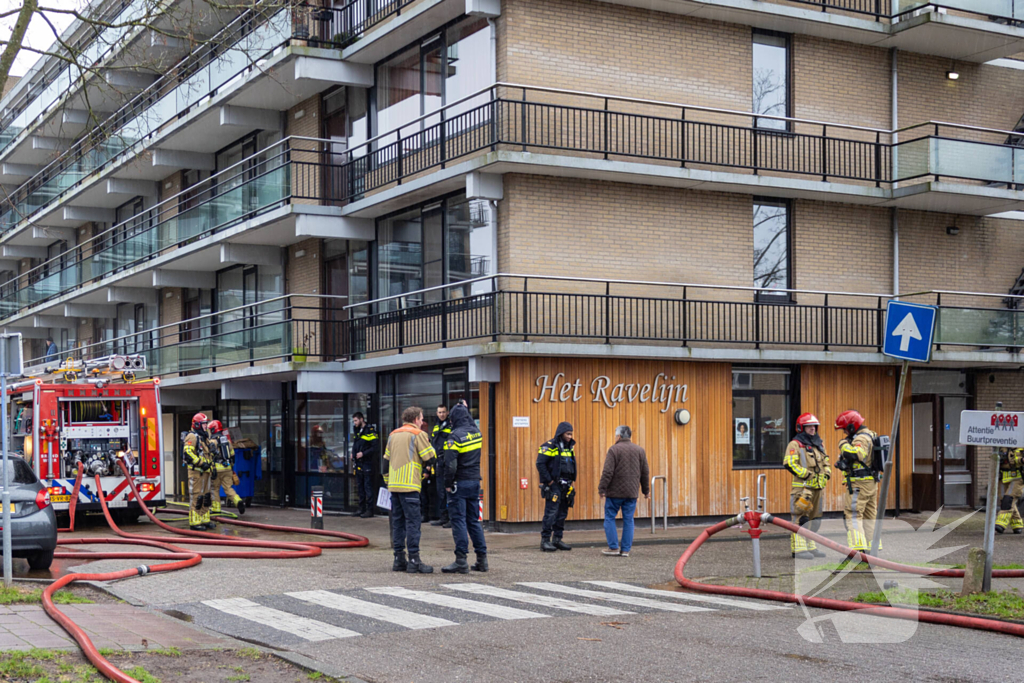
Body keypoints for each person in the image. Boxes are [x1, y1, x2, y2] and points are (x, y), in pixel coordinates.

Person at [383, 406, 436, 573]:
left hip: (394, 486)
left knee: (398, 523)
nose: (422, 422)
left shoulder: (393, 435)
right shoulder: (418, 434)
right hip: (410, 486)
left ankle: (399, 559)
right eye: (421, 419)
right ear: (415, 419)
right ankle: (414, 560)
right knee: (413, 523)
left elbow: (385, 463)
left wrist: (388, 482)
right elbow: (430, 457)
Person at [440, 402, 487, 573]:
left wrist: (447, 484)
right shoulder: (477, 433)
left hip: (458, 484)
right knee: (473, 521)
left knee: (458, 521)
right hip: (474, 482)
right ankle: (482, 560)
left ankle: (461, 560)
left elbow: (450, 465)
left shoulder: (454, 437)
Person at [598, 425, 649, 558]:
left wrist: (602, 488)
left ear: (619, 436)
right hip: (631, 493)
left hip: (614, 493)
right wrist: (646, 491)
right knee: (629, 520)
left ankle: (613, 547)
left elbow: (608, 472)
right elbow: (645, 472)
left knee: (609, 517)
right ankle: (625, 550)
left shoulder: (614, 450)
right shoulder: (640, 450)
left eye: (616, 435)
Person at [784, 413, 830, 559]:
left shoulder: (819, 444)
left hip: (818, 489)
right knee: (800, 518)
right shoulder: (795, 444)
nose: (812, 428)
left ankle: (811, 546)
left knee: (814, 520)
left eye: (814, 426)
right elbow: (789, 463)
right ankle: (799, 549)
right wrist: (806, 474)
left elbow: (826, 462)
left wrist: (827, 474)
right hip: (802, 489)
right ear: (801, 428)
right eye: (809, 426)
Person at [835, 410, 879, 553]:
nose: (844, 433)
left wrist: (843, 444)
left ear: (852, 426)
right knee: (869, 516)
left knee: (853, 515)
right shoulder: (871, 435)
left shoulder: (861, 439)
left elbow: (857, 454)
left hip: (859, 484)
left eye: (845, 429)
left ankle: (858, 550)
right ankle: (872, 549)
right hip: (870, 482)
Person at [537, 421, 576, 552]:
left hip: (566, 485)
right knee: (551, 513)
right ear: (561, 433)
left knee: (562, 513)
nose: (570, 436)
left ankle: (557, 539)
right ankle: (545, 541)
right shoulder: (549, 446)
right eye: (568, 434)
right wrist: (550, 482)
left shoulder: (569, 447)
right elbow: (540, 464)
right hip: (554, 485)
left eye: (571, 434)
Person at [206, 420, 245, 516]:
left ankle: (216, 509)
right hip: (227, 468)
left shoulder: (211, 442)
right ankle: (238, 501)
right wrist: (231, 468)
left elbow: (209, 456)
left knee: (214, 489)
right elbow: (232, 455)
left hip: (216, 470)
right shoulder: (227, 441)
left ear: (213, 430)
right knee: (228, 488)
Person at [183, 412, 212, 531]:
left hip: (205, 472)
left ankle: (204, 519)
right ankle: (194, 522)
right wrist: (201, 463)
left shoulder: (204, 437)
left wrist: (212, 468)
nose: (206, 426)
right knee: (197, 497)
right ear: (197, 425)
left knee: (206, 497)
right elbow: (188, 453)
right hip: (196, 472)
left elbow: (208, 455)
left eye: (206, 424)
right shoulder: (192, 436)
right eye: (204, 424)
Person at [351, 412, 379, 518]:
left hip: (367, 463)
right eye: (354, 421)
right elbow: (356, 444)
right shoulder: (357, 430)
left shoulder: (370, 430)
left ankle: (370, 510)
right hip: (358, 463)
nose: (354, 423)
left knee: (368, 487)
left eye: (356, 420)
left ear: (361, 419)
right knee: (360, 487)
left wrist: (363, 453)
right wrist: (353, 454)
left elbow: (375, 447)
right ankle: (361, 508)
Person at [430, 405, 453, 528]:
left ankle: (451, 518)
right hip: (438, 462)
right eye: (439, 412)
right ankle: (443, 517)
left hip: (447, 462)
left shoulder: (451, 425)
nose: (442, 414)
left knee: (448, 491)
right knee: (440, 492)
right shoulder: (436, 425)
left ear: (447, 412)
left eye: (443, 412)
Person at [995, 447, 1024, 534]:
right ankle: (1017, 524)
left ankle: (1001, 523)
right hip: (1002, 477)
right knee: (1004, 500)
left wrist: (1019, 460)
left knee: (1009, 499)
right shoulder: (1001, 445)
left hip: (1017, 477)